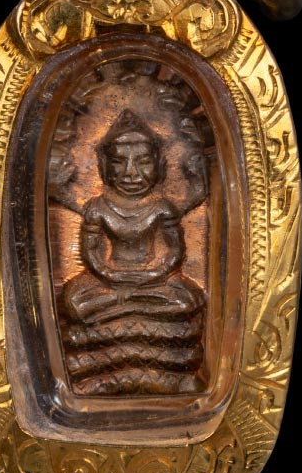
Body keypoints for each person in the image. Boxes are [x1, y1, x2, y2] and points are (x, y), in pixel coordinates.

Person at [62, 109, 205, 395]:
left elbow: (175, 252)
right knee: (74, 300)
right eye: (119, 162)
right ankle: (102, 367)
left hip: (154, 280)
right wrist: (110, 275)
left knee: (186, 300)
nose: (130, 173)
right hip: (108, 279)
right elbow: (91, 253)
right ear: (104, 166)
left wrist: (152, 275)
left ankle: (127, 311)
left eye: (143, 162)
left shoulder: (162, 207)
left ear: (160, 165)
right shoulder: (97, 208)